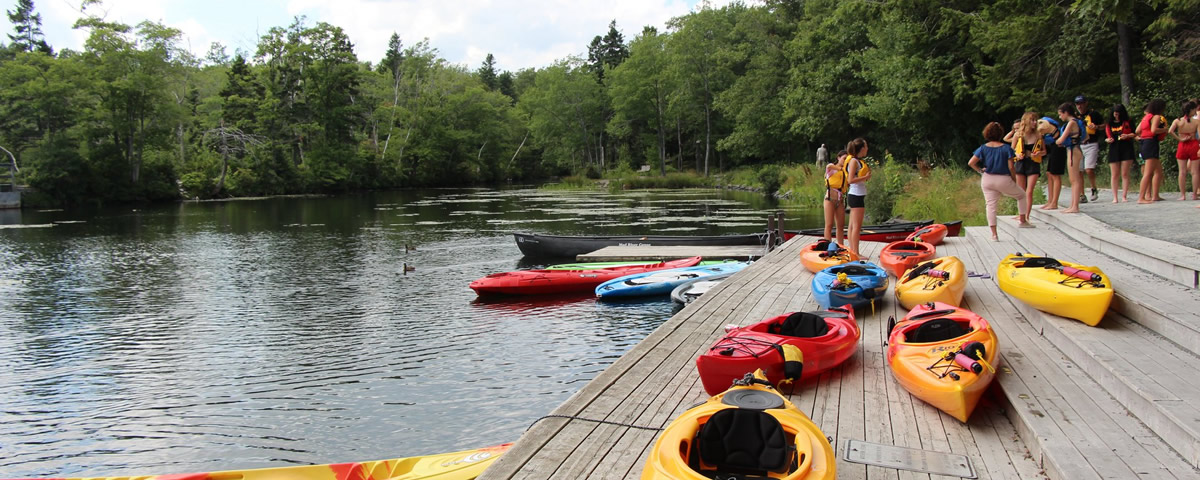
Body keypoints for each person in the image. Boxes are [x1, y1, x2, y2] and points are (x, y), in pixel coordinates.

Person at [969, 122, 1032, 241]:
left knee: (991, 206)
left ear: (986, 133)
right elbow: (1011, 167)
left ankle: (994, 235)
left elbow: (971, 163)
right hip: (1003, 178)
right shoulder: (1006, 148)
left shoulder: (983, 148)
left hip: (987, 178)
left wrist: (980, 171)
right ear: (1000, 134)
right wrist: (1013, 180)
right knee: (1021, 195)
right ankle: (1023, 220)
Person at [1009, 112, 1043, 221]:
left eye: (1035, 120)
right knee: (1021, 191)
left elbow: (1044, 151)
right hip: (1020, 163)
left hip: (1033, 163)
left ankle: (1026, 216)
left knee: (1029, 191)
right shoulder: (1018, 135)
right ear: (1026, 121)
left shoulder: (1038, 135)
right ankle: (1021, 214)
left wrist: (1038, 153)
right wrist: (1017, 154)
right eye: (1032, 120)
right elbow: (1011, 150)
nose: (1034, 122)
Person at [1136, 98, 1169, 203]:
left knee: (1158, 171)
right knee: (1148, 173)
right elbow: (1154, 130)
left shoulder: (1146, 117)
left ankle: (1155, 195)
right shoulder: (1156, 117)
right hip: (1151, 143)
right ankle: (1141, 197)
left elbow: (1137, 131)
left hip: (1144, 143)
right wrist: (1165, 129)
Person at [1055, 103, 1085, 214]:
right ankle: (1073, 205)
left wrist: (1055, 140)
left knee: (1074, 179)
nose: (1060, 117)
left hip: (1073, 151)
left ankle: (1075, 206)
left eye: (1060, 114)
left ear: (1066, 112)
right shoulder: (1077, 121)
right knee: (1074, 179)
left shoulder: (1071, 123)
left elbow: (1061, 139)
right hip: (1075, 149)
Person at [843, 138, 871, 255]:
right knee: (856, 227)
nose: (867, 149)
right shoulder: (854, 161)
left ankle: (853, 251)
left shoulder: (856, 161)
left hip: (856, 195)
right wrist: (865, 177)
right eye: (866, 146)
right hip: (856, 195)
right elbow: (850, 180)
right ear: (862, 148)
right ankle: (856, 253)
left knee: (852, 226)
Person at [1105, 104, 1137, 203]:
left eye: (1118, 114)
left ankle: (1124, 196)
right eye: (1115, 114)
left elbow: (1135, 133)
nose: (1116, 116)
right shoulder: (1109, 124)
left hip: (1126, 147)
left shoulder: (1128, 121)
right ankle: (1115, 197)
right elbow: (1106, 136)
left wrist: (1127, 135)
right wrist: (1107, 140)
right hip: (1114, 148)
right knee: (1114, 174)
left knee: (1125, 173)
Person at [1168, 100, 1199, 200]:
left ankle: (1182, 195)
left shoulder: (1178, 121)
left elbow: (1170, 131)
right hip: (1194, 144)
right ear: (1192, 110)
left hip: (1182, 144)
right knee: (1195, 172)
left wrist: (1179, 138)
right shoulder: (1197, 121)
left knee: (1182, 171)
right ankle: (1194, 194)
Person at [1076, 95, 1105, 202]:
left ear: (1086, 103)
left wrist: (1096, 127)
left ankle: (1093, 188)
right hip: (1079, 145)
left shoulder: (1094, 114)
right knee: (1079, 170)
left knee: (1088, 169)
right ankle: (1082, 194)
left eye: (1081, 103)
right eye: (1078, 104)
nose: (1080, 106)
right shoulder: (1075, 116)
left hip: (1091, 143)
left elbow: (1104, 125)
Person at [822, 150, 849, 246]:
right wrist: (840, 169)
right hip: (830, 199)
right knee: (829, 225)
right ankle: (827, 246)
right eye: (844, 158)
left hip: (840, 201)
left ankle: (841, 246)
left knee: (840, 226)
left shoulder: (846, 171)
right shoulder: (832, 168)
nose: (845, 161)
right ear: (838, 158)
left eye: (847, 159)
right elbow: (828, 166)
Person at [1040, 116, 1065, 210]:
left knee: (1055, 174)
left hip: (1058, 148)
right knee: (1049, 173)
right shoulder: (1043, 126)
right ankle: (1050, 200)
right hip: (1053, 148)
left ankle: (1054, 202)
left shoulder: (1045, 123)